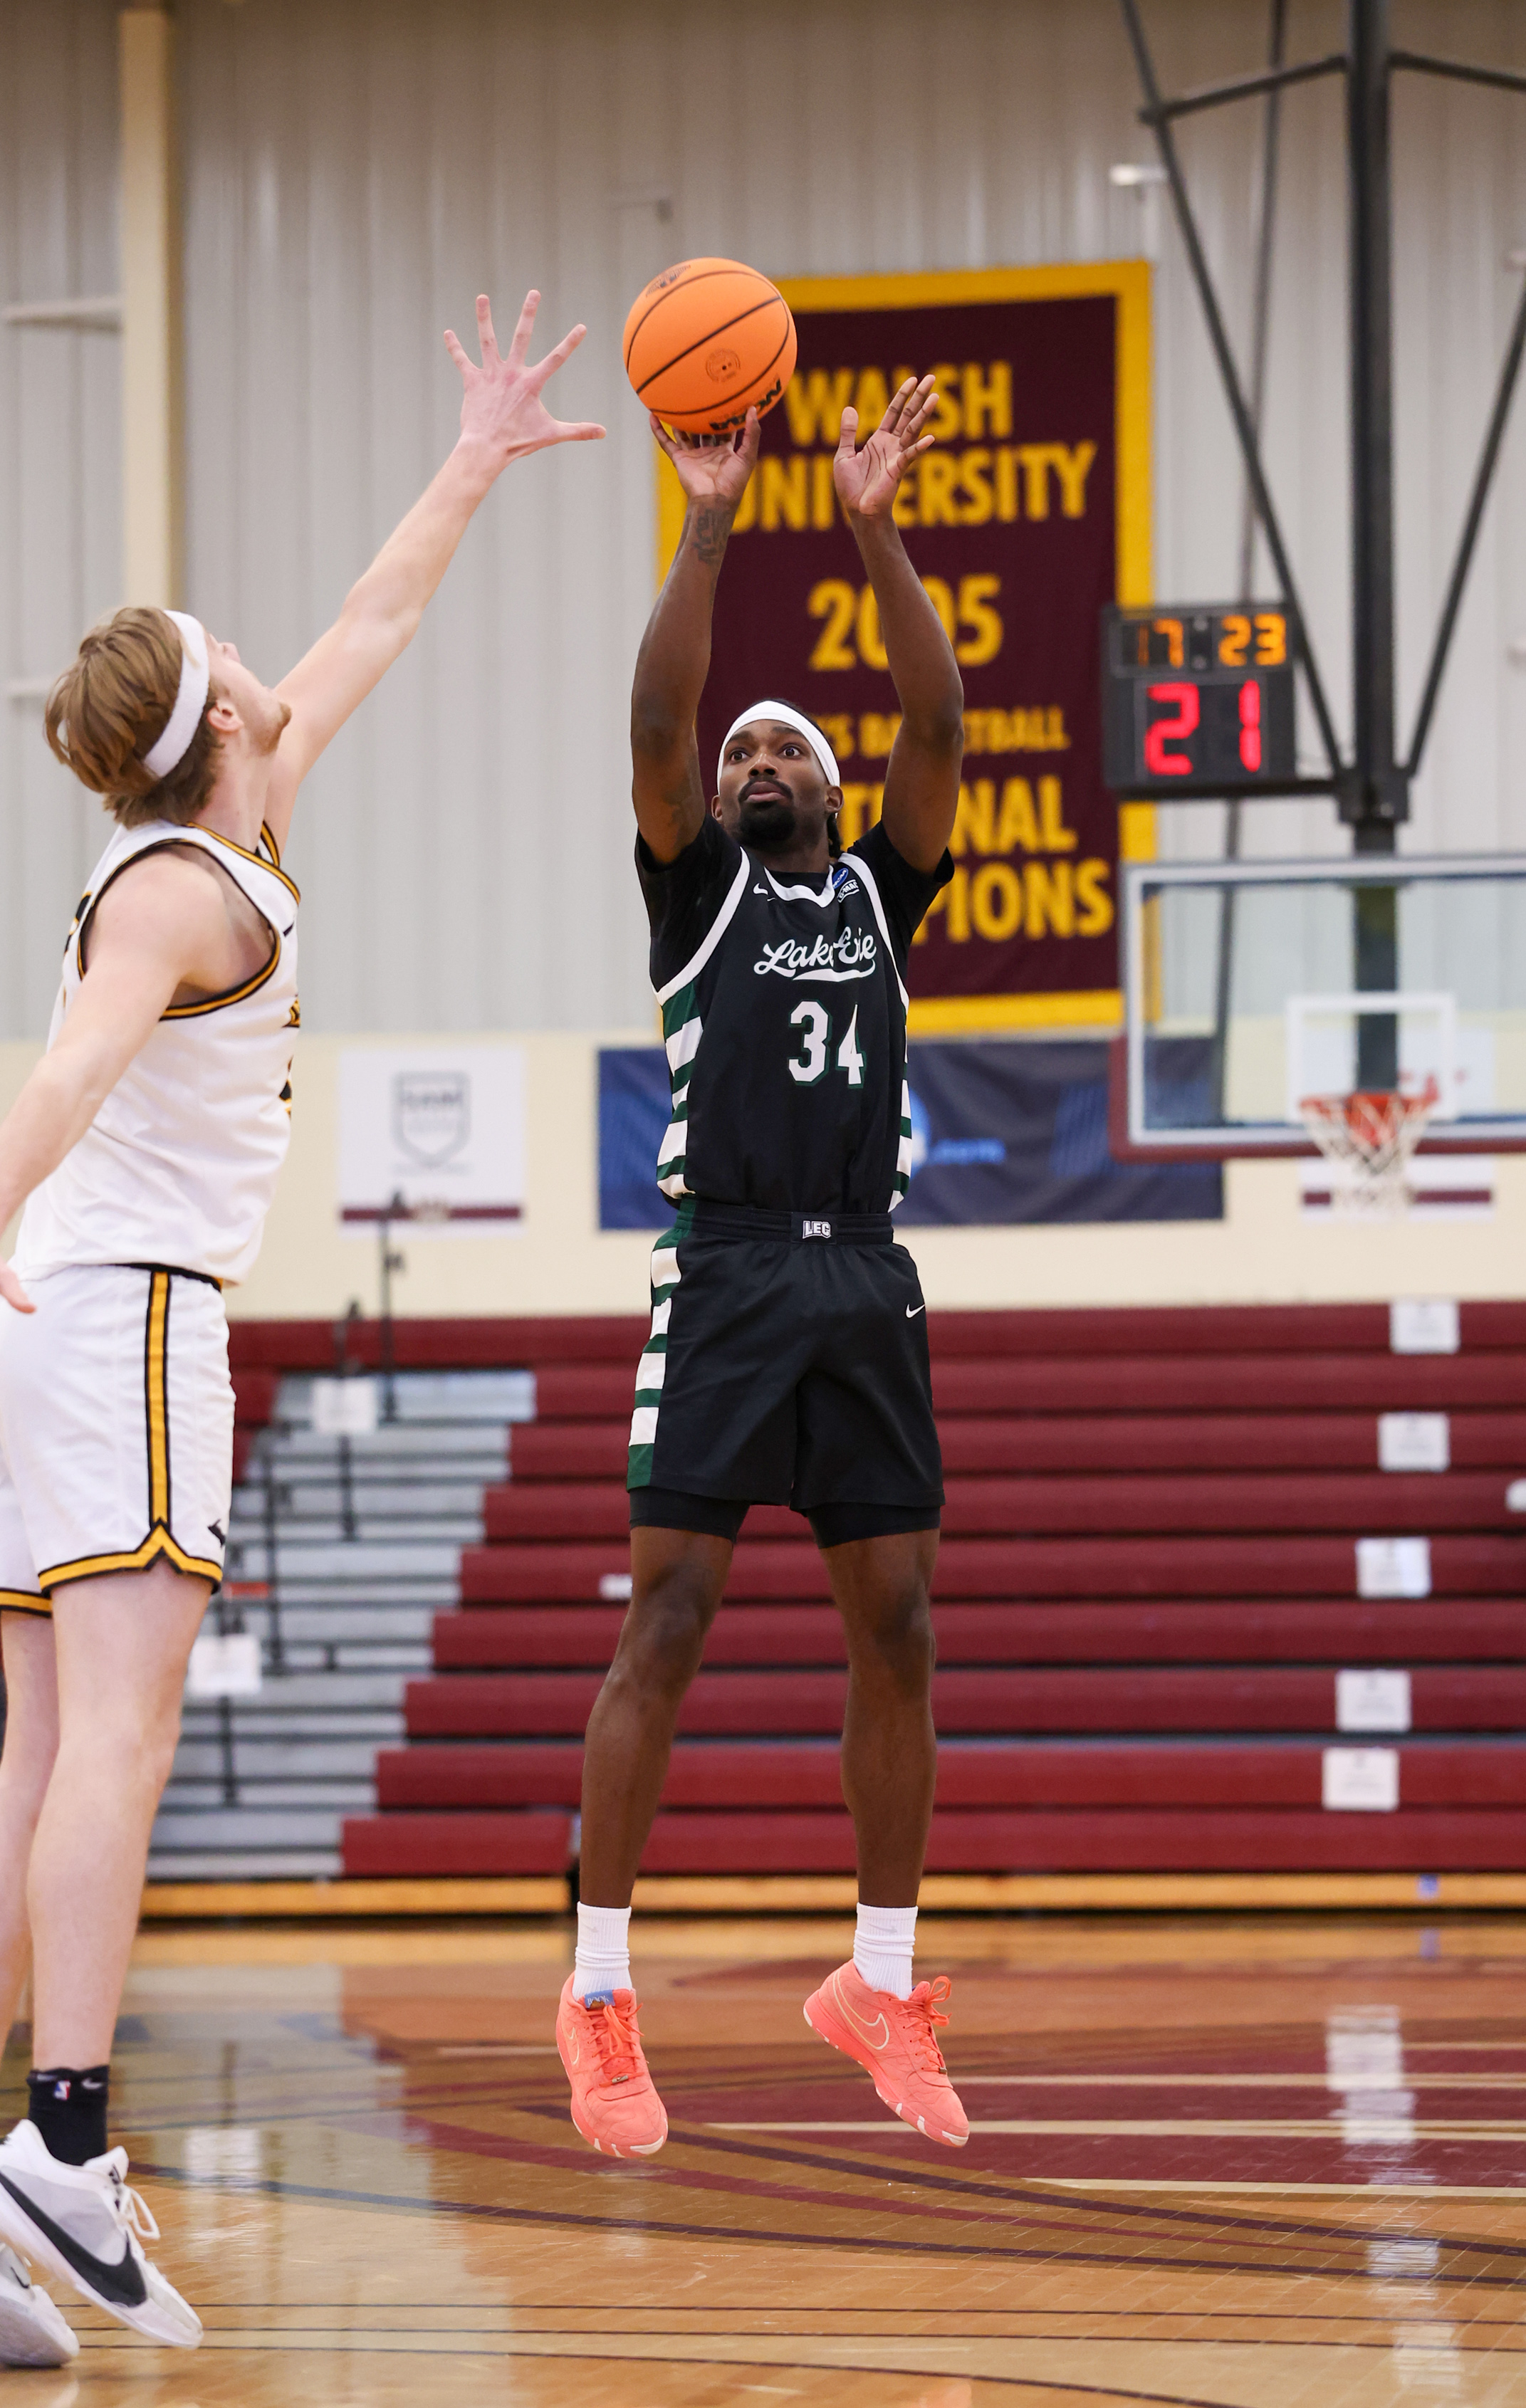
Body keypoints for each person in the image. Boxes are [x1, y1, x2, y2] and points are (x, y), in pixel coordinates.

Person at [0, 290, 602, 2364]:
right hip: (124, 1317)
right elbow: (66, 1075)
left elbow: (374, 618)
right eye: (236, 646)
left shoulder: (231, 826)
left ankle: (22, 2148)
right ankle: (62, 2144)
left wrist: (473, 454)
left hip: (66, 1321)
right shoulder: (180, 891)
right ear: (218, 712)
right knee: (119, 1734)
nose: (277, 650)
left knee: (35, 1744)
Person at [555, 377, 967, 2160]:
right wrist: (710, 513)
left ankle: (878, 1978)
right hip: (723, 1271)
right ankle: (596, 1992)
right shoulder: (696, 892)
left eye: (786, 747)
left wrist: (871, 527)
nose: (760, 763)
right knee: (673, 1612)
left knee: (899, 1623)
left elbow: (939, 721)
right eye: (744, 758)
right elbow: (658, 712)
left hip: (862, 1275)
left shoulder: (883, 889)